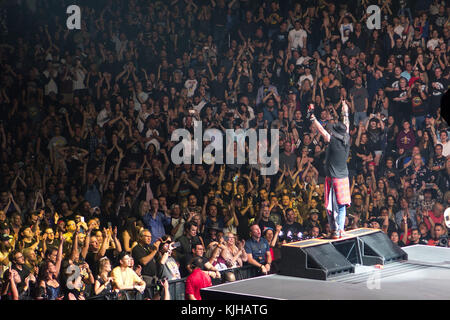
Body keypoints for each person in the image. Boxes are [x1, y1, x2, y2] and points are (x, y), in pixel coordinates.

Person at [309, 101, 351, 239]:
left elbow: (321, 130)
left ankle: (335, 230)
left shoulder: (332, 141)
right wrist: (345, 111)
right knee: (342, 205)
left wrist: (313, 117)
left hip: (333, 178)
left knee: (331, 207)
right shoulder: (347, 138)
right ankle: (340, 230)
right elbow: (347, 124)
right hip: (344, 176)